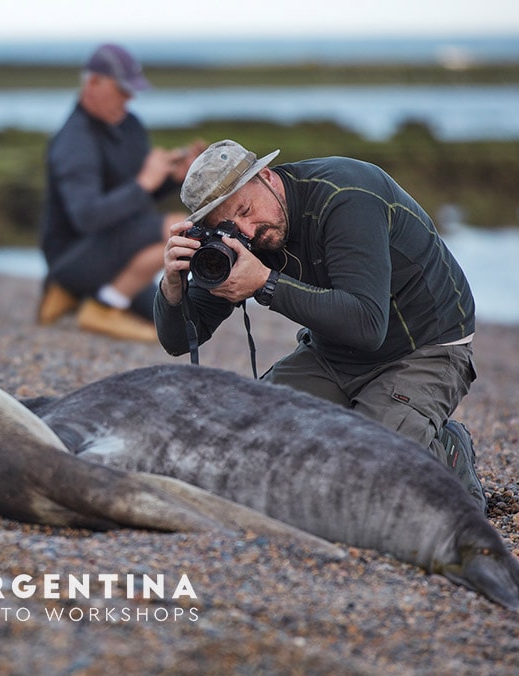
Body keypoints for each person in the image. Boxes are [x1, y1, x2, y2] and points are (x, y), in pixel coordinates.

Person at [155, 139, 485, 511]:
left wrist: (266, 283)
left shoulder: (346, 196)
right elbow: (179, 340)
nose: (247, 230)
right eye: (231, 225)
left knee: (371, 474)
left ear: (265, 176)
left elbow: (367, 324)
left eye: (247, 209)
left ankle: (449, 451)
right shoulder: (238, 238)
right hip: (334, 350)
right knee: (242, 445)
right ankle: (365, 425)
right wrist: (171, 286)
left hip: (424, 346)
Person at [37, 43, 206, 342]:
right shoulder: (73, 141)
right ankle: (100, 307)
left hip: (117, 249)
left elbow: (134, 201)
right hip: (72, 258)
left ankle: (81, 297)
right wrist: (145, 181)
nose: (130, 97)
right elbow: (87, 217)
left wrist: (171, 179)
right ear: (93, 83)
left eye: (132, 90)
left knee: (178, 322)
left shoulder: (130, 126)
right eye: (122, 89)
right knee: (179, 229)